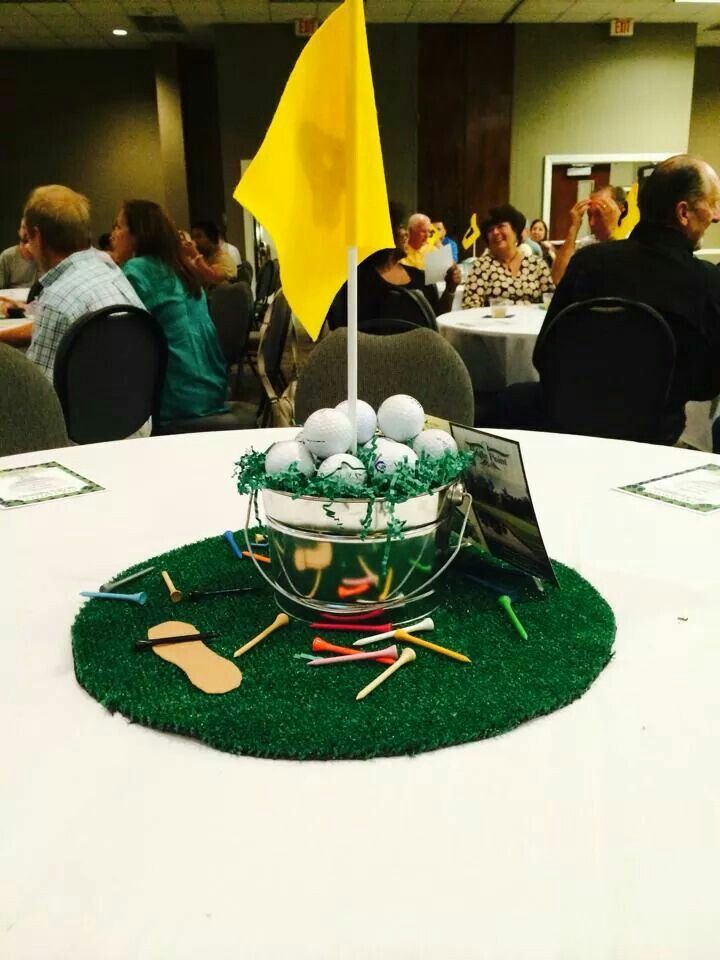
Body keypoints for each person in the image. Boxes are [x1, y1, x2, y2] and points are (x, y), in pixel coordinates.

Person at [533, 154, 720, 443]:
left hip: (571, 433)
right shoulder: (707, 281)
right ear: (683, 213)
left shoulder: (587, 262)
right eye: (713, 203)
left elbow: (543, 355)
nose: (716, 215)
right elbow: (707, 384)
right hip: (658, 442)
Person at [111, 201, 228, 425]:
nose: (113, 235)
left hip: (177, 400)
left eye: (118, 227)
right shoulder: (182, 267)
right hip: (213, 389)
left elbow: (120, 342)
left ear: (137, 234)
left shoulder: (137, 270)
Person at [24, 185, 144, 380]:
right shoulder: (113, 273)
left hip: (81, 409)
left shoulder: (57, 298)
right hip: (137, 406)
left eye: (28, 238)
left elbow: (38, 394)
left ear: (37, 237)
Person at [327, 237, 461, 330]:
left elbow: (436, 318)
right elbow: (343, 328)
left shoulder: (419, 276)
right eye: (400, 226)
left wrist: (450, 289)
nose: (406, 234)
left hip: (418, 357)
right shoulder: (357, 281)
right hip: (372, 358)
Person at [462, 204, 554, 308]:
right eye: (490, 230)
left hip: (533, 323)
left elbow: (551, 301)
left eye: (501, 226)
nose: (495, 232)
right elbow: (470, 307)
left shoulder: (536, 264)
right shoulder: (482, 266)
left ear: (515, 231)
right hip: (493, 323)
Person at [551, 185, 626, 284]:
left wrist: (611, 231)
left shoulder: (633, 241)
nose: (591, 223)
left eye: (600, 214)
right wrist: (574, 227)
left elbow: (623, 280)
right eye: (589, 215)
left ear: (620, 211)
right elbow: (558, 278)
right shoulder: (587, 245)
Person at [183, 220, 237, 287]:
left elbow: (213, 277)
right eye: (193, 237)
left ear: (212, 239)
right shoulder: (207, 259)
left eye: (199, 237)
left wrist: (195, 255)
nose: (194, 241)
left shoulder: (225, 260)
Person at [0, 219, 37, 289]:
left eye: (30, 228)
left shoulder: (44, 257)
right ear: (19, 231)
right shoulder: (7, 256)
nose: (27, 231)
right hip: (12, 298)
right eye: (24, 227)